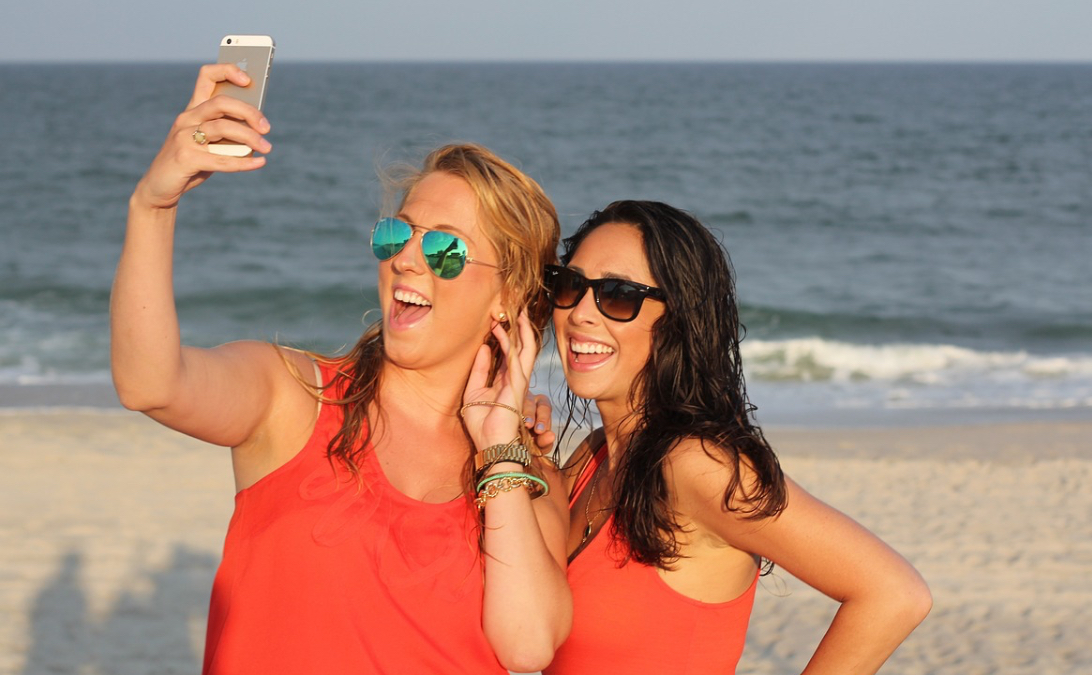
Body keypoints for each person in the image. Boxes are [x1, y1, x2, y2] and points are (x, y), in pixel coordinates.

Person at [110, 63, 570, 674]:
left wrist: (499, 448)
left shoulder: (528, 474)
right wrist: (153, 204)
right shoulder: (292, 395)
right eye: (396, 234)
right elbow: (150, 384)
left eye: (445, 249)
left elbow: (530, 645)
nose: (407, 258)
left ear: (507, 298)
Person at [541, 201, 932, 675]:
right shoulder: (591, 457)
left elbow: (893, 593)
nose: (581, 312)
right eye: (570, 285)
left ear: (677, 321)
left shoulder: (696, 466)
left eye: (618, 295)